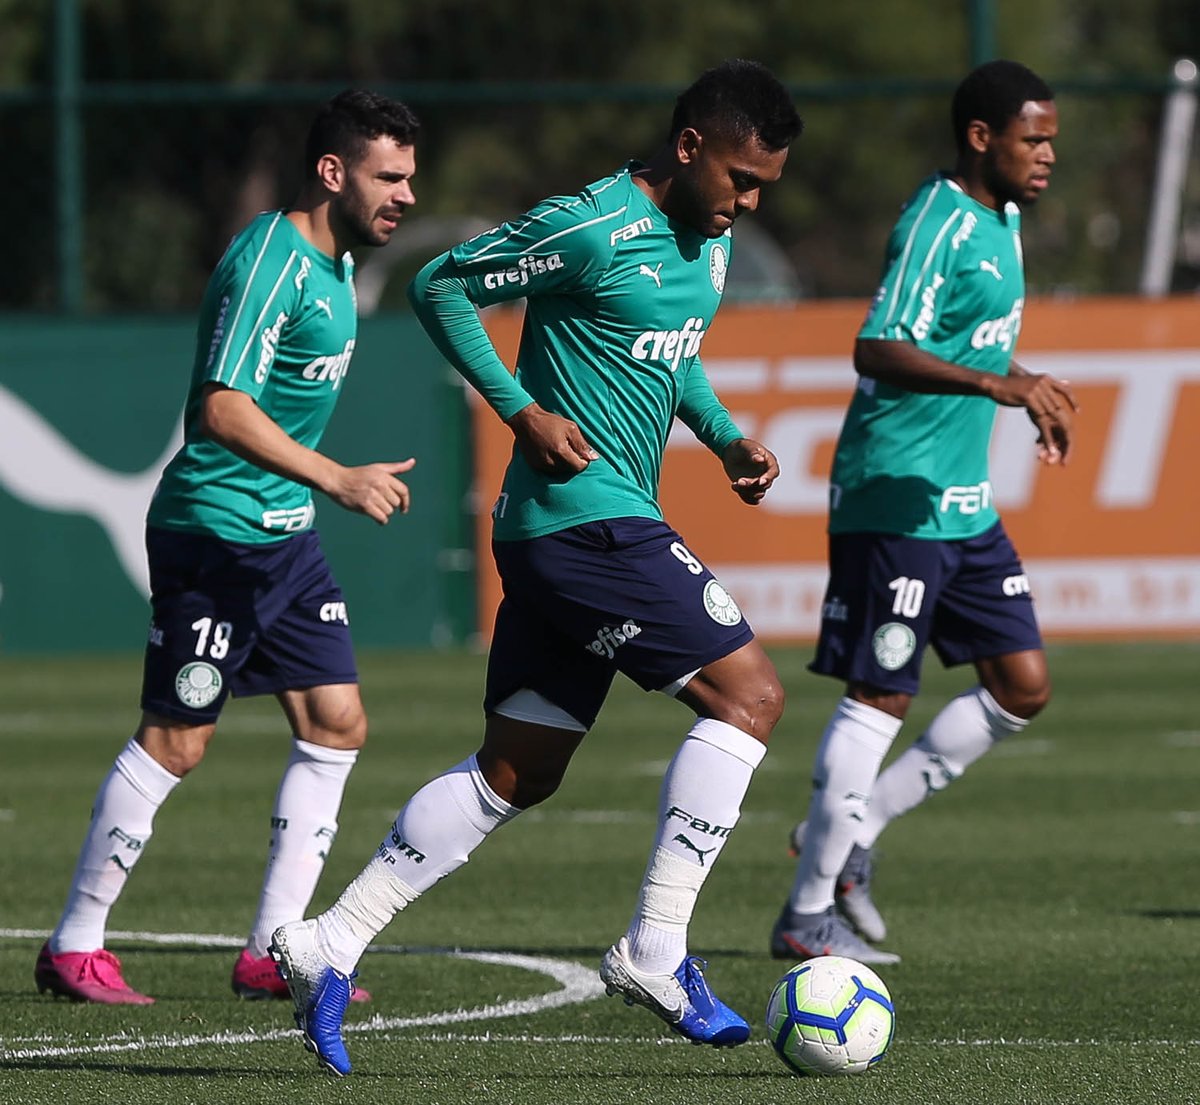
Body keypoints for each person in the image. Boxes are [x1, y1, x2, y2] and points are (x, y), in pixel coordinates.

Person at [268, 59, 803, 1077]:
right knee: (751, 697)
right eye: (740, 178)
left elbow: (672, 349)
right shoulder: (590, 225)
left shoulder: (710, 242)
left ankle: (329, 938)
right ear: (689, 148)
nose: (749, 201)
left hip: (584, 531)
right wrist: (520, 409)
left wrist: (727, 437)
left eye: (766, 186)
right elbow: (441, 284)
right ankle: (656, 946)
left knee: (518, 769)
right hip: (580, 524)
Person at [35, 89, 422, 1005]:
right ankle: (74, 945)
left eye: (412, 176)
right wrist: (335, 476)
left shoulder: (337, 267)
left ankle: (274, 949)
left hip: (284, 543)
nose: (405, 194)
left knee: (336, 722)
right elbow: (218, 407)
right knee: (177, 740)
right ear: (333, 173)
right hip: (214, 536)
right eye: (389, 176)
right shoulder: (272, 261)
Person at [770, 59, 1076, 966]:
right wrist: (1000, 384)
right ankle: (806, 912)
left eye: (1053, 137)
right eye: (1034, 137)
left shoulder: (1005, 218)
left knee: (1022, 686)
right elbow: (878, 346)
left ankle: (855, 835)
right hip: (893, 493)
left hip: (962, 503)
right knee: (883, 693)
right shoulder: (937, 221)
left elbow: (973, 343)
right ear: (982, 138)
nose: (1049, 153)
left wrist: (1019, 402)